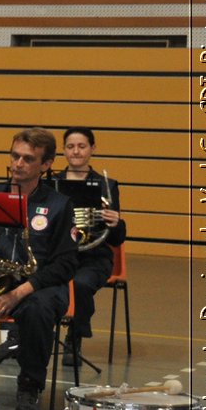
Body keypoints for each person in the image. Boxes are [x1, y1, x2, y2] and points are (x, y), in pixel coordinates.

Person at [0, 128, 79, 410]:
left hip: (38, 286)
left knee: (38, 311)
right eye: (15, 156)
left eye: (28, 159)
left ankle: (29, 386)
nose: (18, 164)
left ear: (46, 164)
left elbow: (66, 264)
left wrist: (22, 290)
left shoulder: (59, 205)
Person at [52, 126, 126, 346]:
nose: (76, 152)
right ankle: (25, 338)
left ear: (92, 148)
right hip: (60, 255)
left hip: (94, 258)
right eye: (70, 146)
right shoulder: (52, 184)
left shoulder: (107, 185)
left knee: (80, 284)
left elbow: (116, 239)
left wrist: (115, 223)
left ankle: (75, 335)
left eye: (82, 146)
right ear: (63, 150)